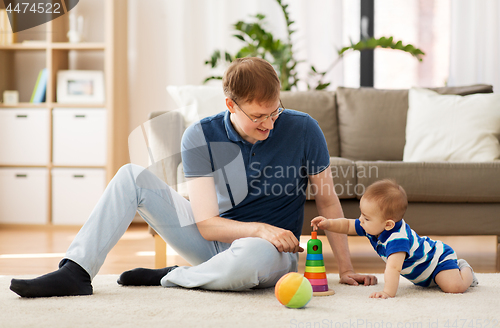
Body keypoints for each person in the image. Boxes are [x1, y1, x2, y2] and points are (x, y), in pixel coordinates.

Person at [10, 57, 376, 298]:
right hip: (214, 241)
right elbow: (207, 226)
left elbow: (327, 201)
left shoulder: (303, 129)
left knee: (248, 260)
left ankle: (170, 276)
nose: (268, 123)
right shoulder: (200, 135)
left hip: (270, 252)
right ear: (231, 105)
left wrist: (345, 268)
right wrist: (257, 227)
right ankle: (75, 271)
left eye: (274, 111)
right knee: (130, 176)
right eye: (258, 116)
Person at [311, 179, 478, 299]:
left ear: (388, 224)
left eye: (366, 218)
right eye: (361, 214)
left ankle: (464, 269)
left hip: (437, 260)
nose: (361, 220)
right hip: (423, 273)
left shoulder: (398, 240)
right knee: (441, 285)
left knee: (455, 288)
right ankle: (449, 274)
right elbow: (347, 226)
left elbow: (393, 268)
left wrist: (387, 292)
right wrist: (328, 223)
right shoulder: (372, 226)